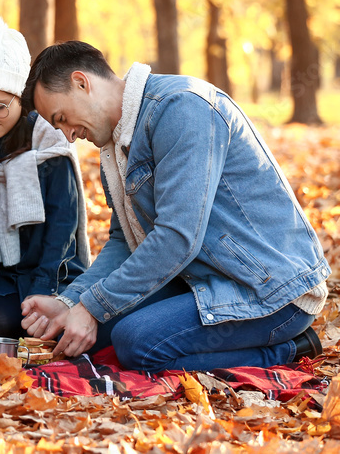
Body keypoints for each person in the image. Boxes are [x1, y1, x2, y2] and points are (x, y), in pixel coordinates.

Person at [19, 41, 329, 372]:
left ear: (82, 83)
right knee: (94, 336)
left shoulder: (181, 108)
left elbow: (177, 237)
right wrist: (71, 302)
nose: (67, 136)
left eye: (62, 118)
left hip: (269, 290)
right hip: (203, 277)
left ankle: (288, 348)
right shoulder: (116, 142)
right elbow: (124, 241)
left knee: (135, 342)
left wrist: (93, 307)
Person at [0, 17, 90, 339]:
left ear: (21, 97)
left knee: (48, 327)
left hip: (54, 268)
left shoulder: (49, 143)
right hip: (2, 270)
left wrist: (45, 287)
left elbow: (63, 225)